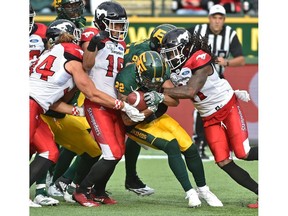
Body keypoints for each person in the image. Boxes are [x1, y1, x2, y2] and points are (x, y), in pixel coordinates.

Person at [30, 17, 144, 209]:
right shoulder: (73, 58)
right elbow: (91, 92)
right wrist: (124, 106)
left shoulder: (48, 55)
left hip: (37, 105)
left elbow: (53, 102)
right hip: (31, 104)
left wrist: (77, 110)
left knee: (50, 151)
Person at [151, 27, 258, 208]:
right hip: (208, 116)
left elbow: (190, 90)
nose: (170, 57)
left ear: (185, 49)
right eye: (168, 53)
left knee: (243, 153)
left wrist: (160, 92)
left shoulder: (200, 58)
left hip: (227, 106)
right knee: (223, 161)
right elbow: (173, 93)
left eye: (173, 52)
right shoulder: (171, 67)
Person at [116, 50, 223, 208]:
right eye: (149, 79)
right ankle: (190, 192)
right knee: (171, 145)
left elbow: (174, 102)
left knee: (189, 147)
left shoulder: (162, 71)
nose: (153, 83)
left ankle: (204, 189)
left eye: (156, 80)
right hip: (137, 124)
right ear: (140, 72)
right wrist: (150, 108)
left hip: (157, 117)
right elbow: (127, 121)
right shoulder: (125, 80)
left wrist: (159, 97)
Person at [72, 1, 135, 207]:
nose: (119, 28)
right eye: (115, 24)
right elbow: (86, 65)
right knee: (111, 153)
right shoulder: (92, 35)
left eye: (121, 24)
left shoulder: (121, 44)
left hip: (114, 104)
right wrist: (94, 43)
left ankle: (98, 191)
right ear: (101, 22)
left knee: (118, 153)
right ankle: (81, 190)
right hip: (97, 103)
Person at [123, 23, 177, 196]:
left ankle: (131, 178)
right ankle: (70, 180)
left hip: (131, 88)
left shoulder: (152, 50)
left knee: (133, 133)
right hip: (121, 90)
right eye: (167, 46)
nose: (170, 50)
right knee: (109, 145)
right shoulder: (142, 53)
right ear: (157, 44)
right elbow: (134, 79)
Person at [187, 4, 246, 159]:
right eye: (214, 17)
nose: (217, 21)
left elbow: (241, 59)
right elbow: (180, 38)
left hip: (218, 80)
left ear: (224, 19)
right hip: (199, 79)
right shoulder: (197, 30)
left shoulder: (230, 34)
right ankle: (199, 144)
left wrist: (226, 62)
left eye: (220, 18)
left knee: (227, 108)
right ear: (209, 18)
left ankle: (231, 142)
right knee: (201, 110)